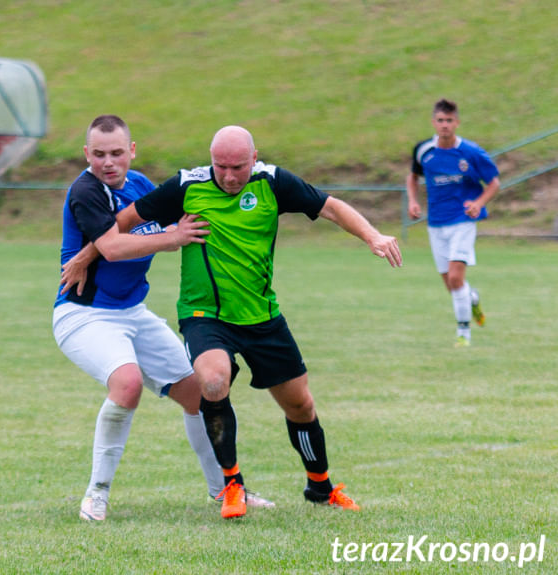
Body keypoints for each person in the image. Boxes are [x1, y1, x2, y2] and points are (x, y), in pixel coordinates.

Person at [63, 125, 402, 520]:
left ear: (254, 158)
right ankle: (231, 484)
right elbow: (125, 220)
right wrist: (89, 254)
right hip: (204, 314)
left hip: (261, 315)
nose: (227, 175)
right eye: (220, 166)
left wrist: (372, 236)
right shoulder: (186, 186)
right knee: (211, 381)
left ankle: (321, 486)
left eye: (237, 167)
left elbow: (329, 206)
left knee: (300, 404)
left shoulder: (273, 183)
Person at [54, 115, 276, 523]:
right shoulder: (86, 191)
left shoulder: (138, 184)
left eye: (117, 153)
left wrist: (87, 253)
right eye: (99, 154)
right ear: (86, 154)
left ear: (131, 151)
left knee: (199, 392)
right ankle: (96, 493)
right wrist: (173, 238)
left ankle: (226, 490)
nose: (108, 162)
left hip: (131, 312)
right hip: (84, 315)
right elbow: (116, 245)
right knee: (128, 383)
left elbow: (176, 213)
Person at [406, 99, 500, 348]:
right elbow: (412, 177)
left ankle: (463, 334)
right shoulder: (423, 150)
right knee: (451, 285)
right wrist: (413, 201)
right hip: (436, 223)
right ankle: (473, 298)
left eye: (449, 120)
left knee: (456, 279)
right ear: (433, 122)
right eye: (440, 120)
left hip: (463, 221)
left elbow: (494, 183)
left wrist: (478, 203)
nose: (445, 125)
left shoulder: (471, 152)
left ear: (456, 123)